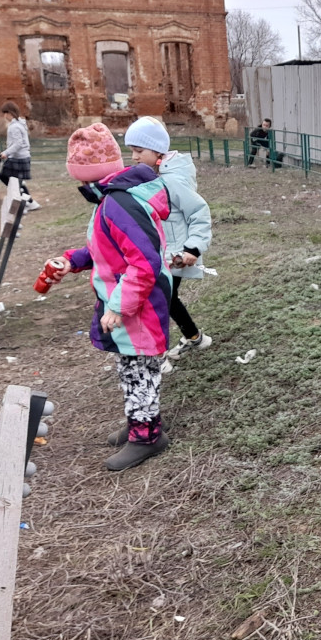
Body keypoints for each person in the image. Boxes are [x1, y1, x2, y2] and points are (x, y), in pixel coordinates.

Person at [44, 122, 173, 471]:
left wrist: (118, 306)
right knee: (130, 366)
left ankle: (147, 436)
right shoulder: (109, 200)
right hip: (128, 298)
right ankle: (139, 421)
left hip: (138, 304)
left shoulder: (118, 203)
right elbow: (106, 248)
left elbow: (144, 262)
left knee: (139, 369)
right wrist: (73, 260)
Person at [122, 116, 213, 371]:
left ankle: (158, 356)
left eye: (139, 151)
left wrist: (192, 248)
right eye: (132, 151)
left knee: (157, 301)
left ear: (157, 152)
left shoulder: (171, 180)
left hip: (176, 255)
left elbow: (199, 212)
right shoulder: (157, 174)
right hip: (162, 253)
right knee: (167, 299)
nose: (134, 157)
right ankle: (195, 337)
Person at [0, 102, 40, 211]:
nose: (4, 116)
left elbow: (18, 143)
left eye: (5, 113)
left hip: (18, 157)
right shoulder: (19, 124)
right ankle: (29, 202)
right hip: (20, 156)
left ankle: (24, 203)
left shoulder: (14, 127)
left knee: (5, 177)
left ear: (9, 113)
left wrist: (6, 153)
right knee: (14, 181)